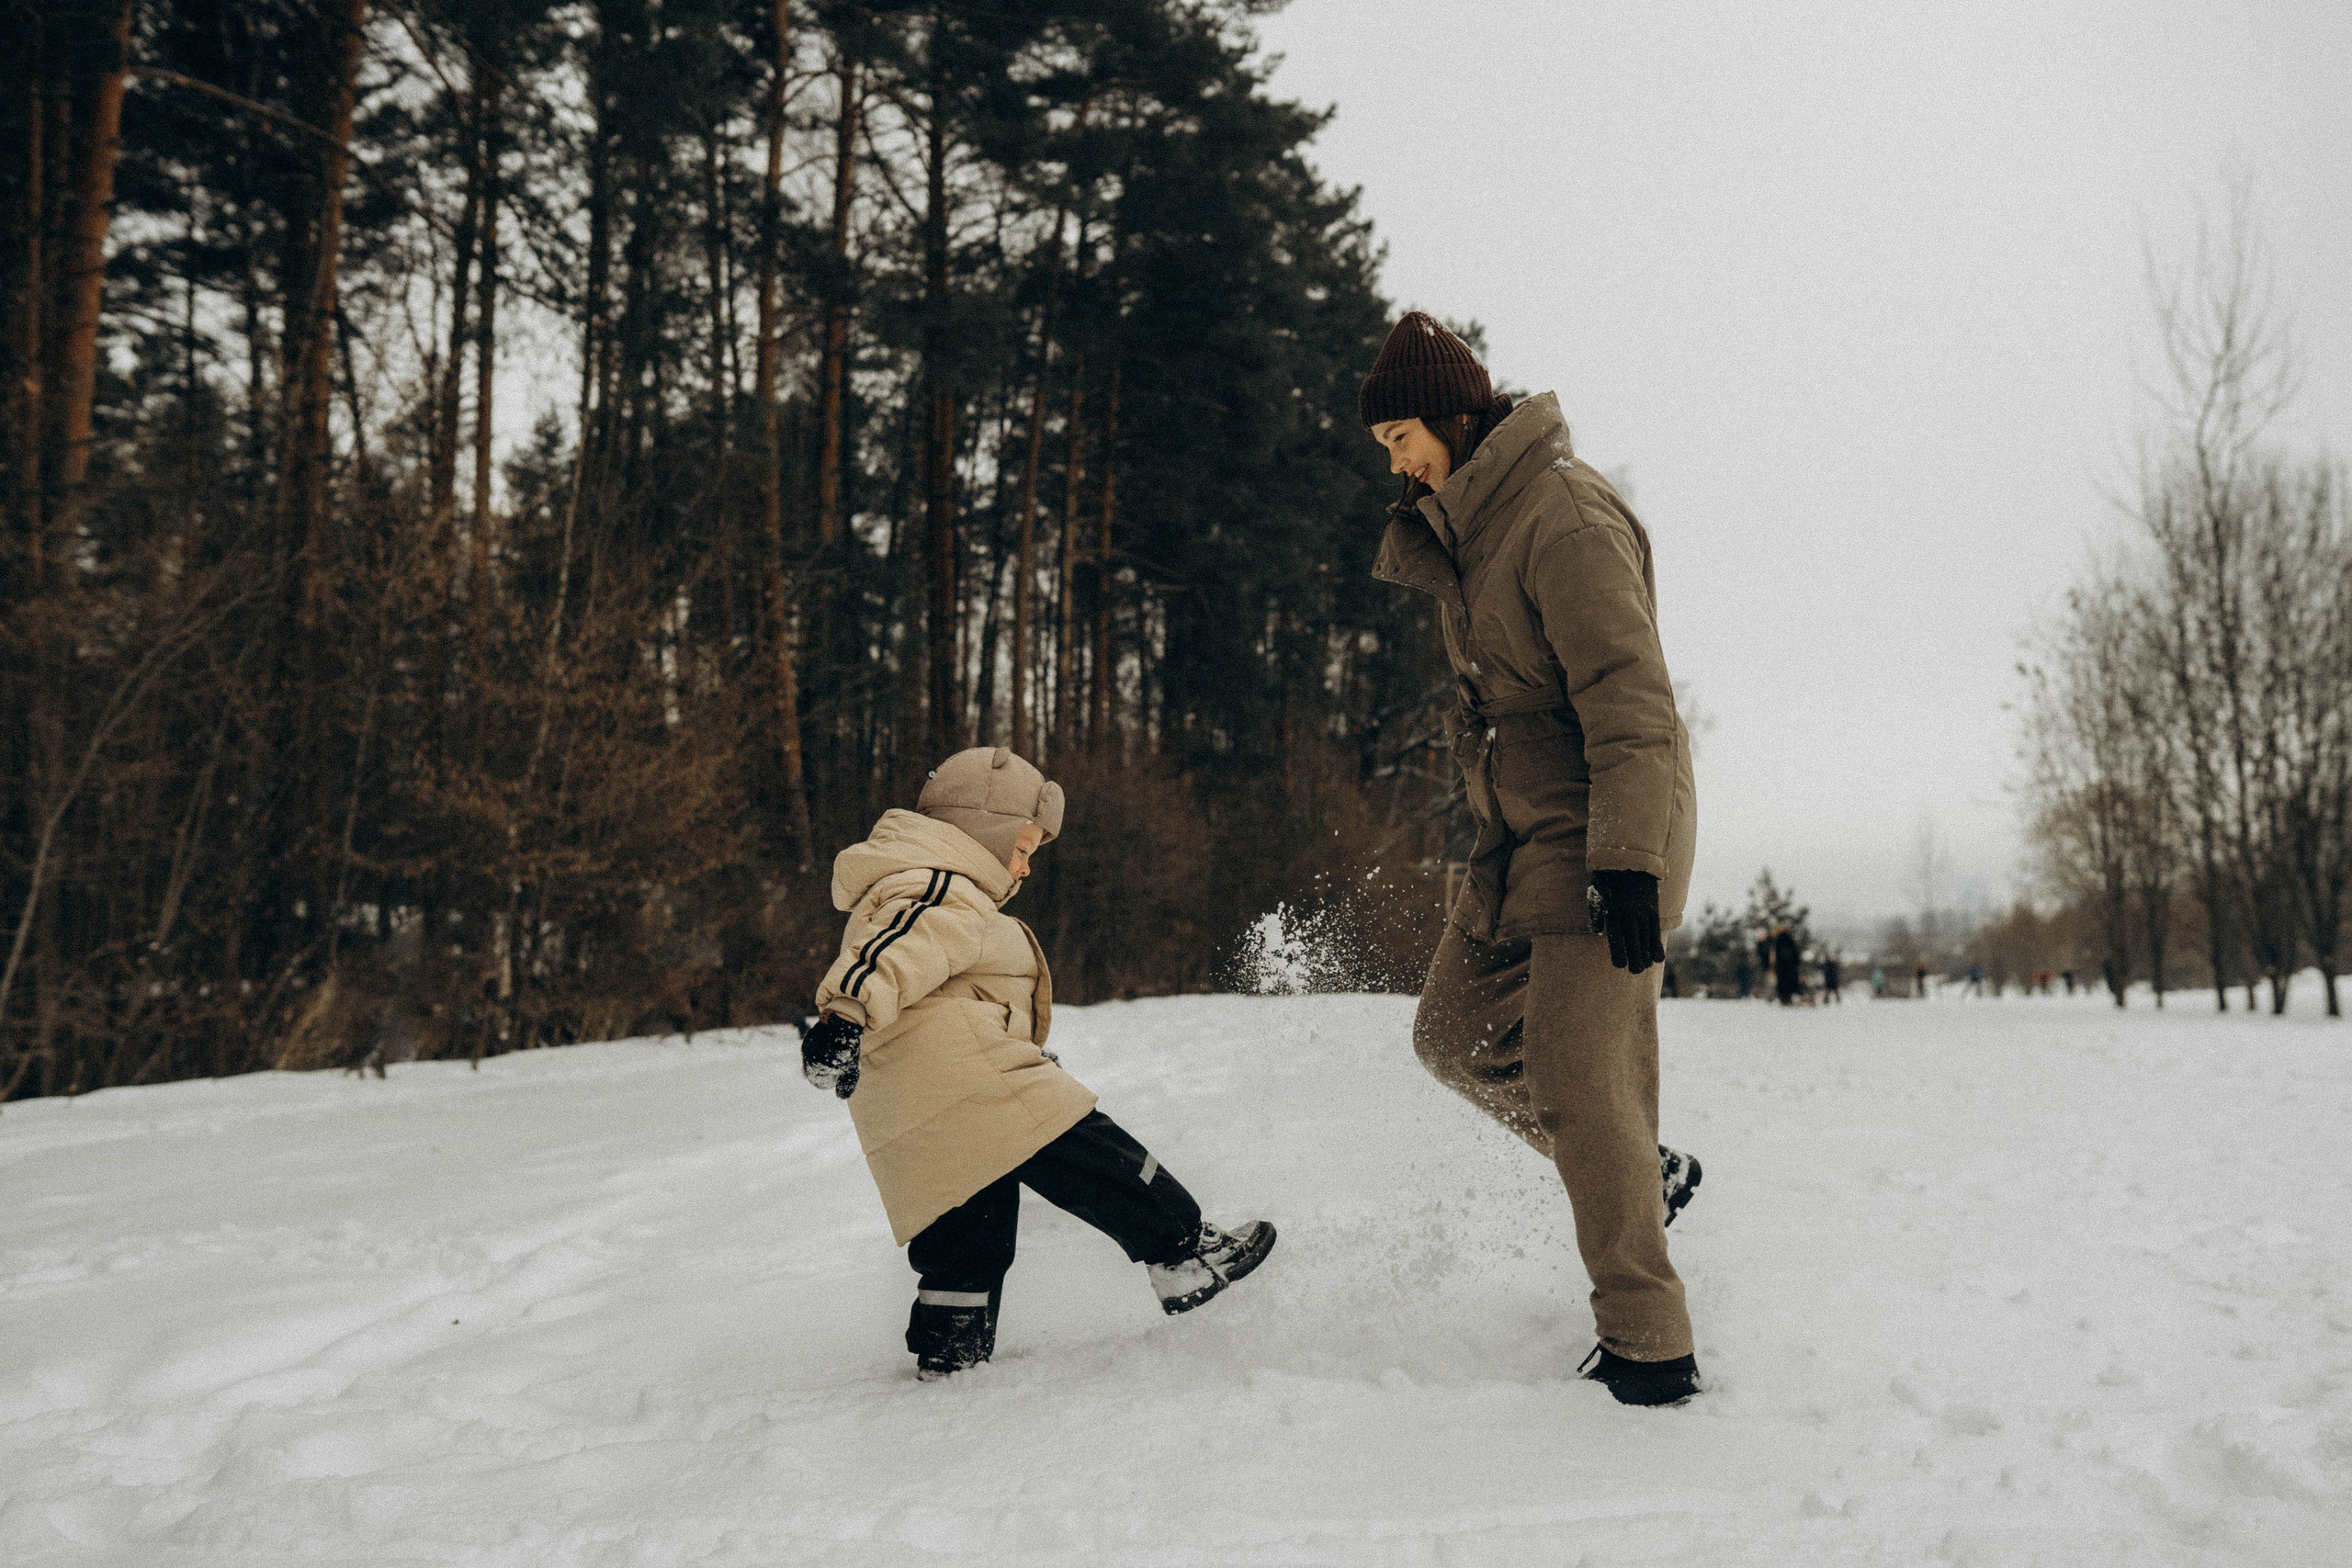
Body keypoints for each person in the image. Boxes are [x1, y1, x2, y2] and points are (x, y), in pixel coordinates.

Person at [1365, 311, 1703, 1407]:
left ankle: (1649, 1343)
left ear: (1457, 419)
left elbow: (1632, 704)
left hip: (1612, 823)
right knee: (1452, 1035)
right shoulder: (1471, 526)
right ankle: (1638, 1177)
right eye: (1382, 447)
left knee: (1573, 1073)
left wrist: (1628, 863)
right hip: (1520, 832)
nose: (1397, 460)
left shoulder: (1560, 514)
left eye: (1403, 435)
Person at [799, 747, 1275, 1381]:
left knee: (966, 1222)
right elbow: (892, 947)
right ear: (980, 827)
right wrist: (843, 1016)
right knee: (1090, 1151)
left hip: (921, 1093)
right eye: (1021, 846)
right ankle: (1184, 1249)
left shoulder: (920, 882)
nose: (1024, 866)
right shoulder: (940, 882)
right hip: (968, 1072)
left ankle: (953, 1337)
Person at [1773, 926, 1803, 1006]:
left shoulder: (1778, 942)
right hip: (1791, 967)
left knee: (1783, 984)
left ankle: (1784, 1000)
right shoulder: (1791, 941)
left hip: (1781, 968)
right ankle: (1789, 999)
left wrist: (1776, 967)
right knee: (1791, 983)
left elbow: (1776, 956)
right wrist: (1796, 964)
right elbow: (1796, 955)